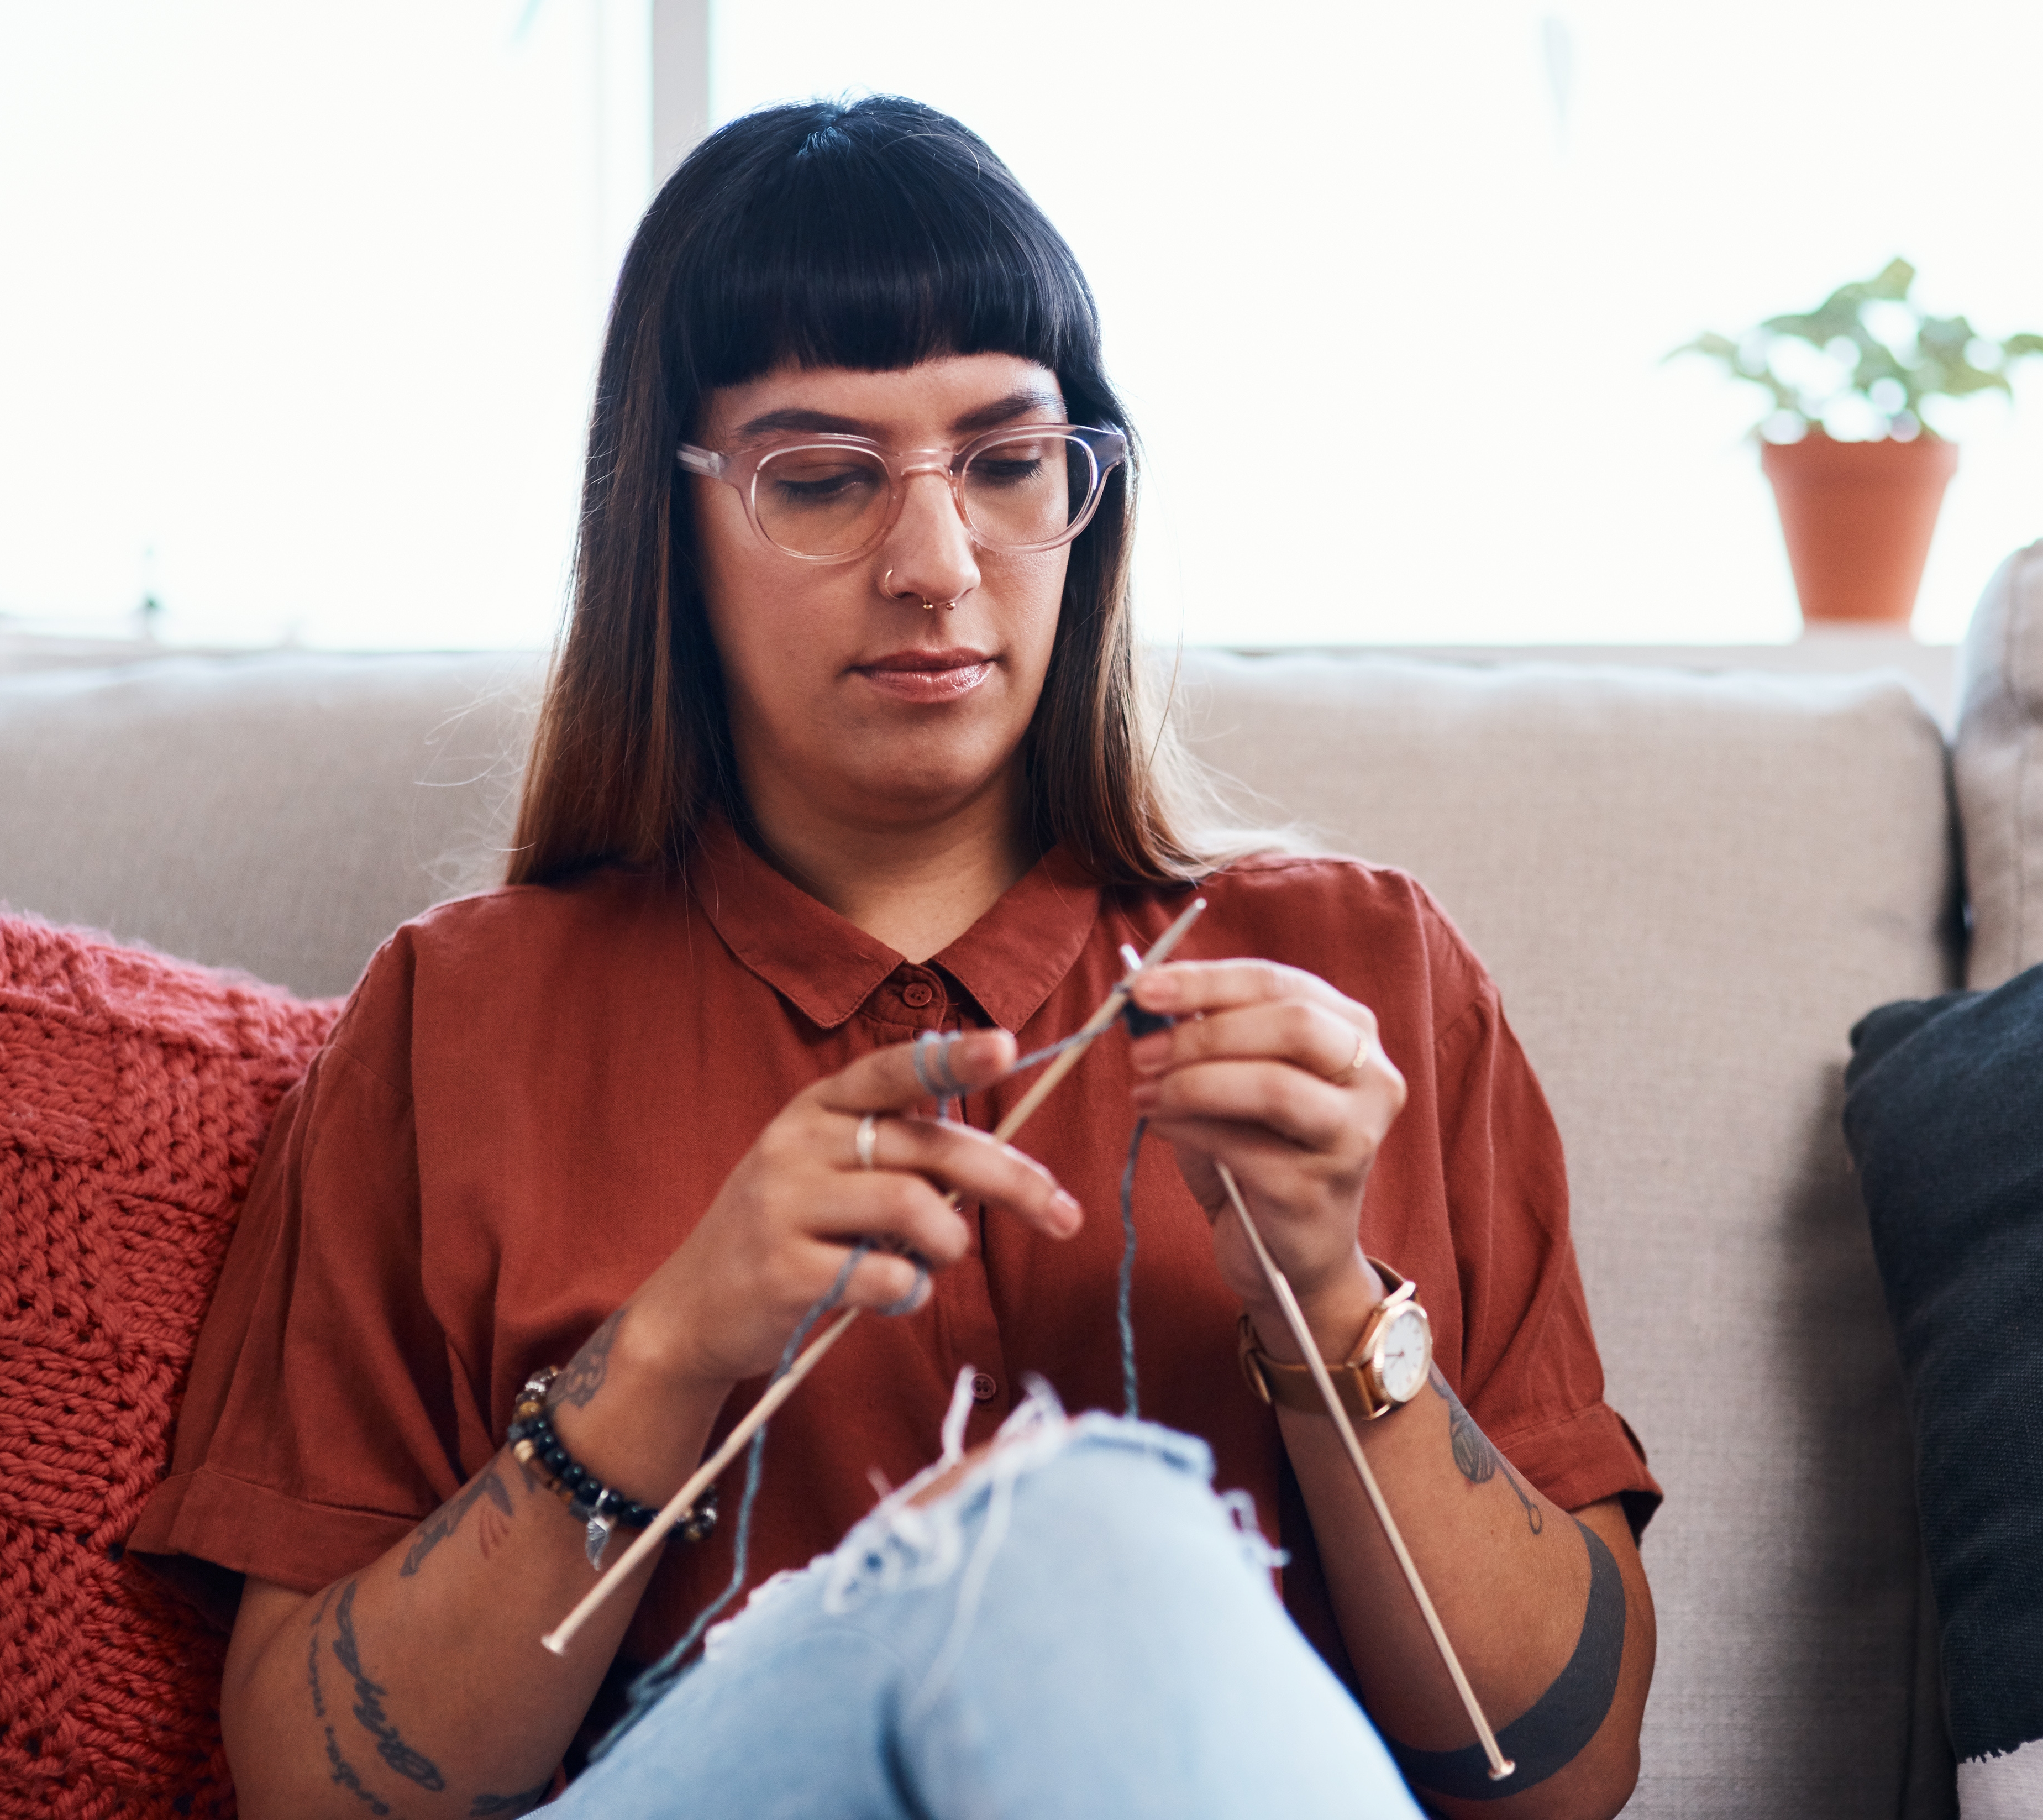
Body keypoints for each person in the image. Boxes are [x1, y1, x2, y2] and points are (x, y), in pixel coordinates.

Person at [131, 96, 1661, 1818]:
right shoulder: (460, 1023)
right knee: (1054, 1531)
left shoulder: (1362, 971)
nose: (937, 568)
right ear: (670, 527)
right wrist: (664, 1360)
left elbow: (1562, 1782)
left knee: (1075, 1534)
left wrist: (1326, 1310)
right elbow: (313, 1797)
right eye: (823, 480)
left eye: (1008, 466)